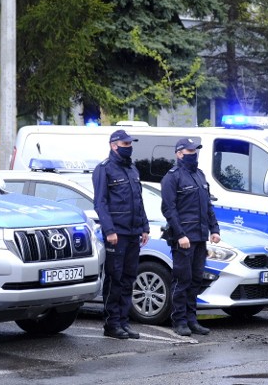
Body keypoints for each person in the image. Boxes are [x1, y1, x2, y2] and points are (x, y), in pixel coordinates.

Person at [93, 129, 150, 339]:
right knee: (115, 279)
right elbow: (100, 202)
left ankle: (124, 322)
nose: (129, 148)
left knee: (128, 279)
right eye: (125, 145)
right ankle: (111, 324)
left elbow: (139, 201)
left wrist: (144, 227)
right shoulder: (104, 169)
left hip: (133, 232)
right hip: (117, 233)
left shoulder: (132, 169)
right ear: (113, 145)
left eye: (130, 144)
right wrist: (109, 230)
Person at [160, 138, 221, 336]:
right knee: (182, 280)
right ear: (179, 153)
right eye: (189, 150)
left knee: (196, 279)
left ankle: (191, 319)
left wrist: (215, 229)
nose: (193, 153)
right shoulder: (172, 177)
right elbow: (169, 209)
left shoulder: (200, 175)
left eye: (195, 150)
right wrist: (180, 235)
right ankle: (179, 321)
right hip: (184, 239)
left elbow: (208, 206)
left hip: (200, 237)